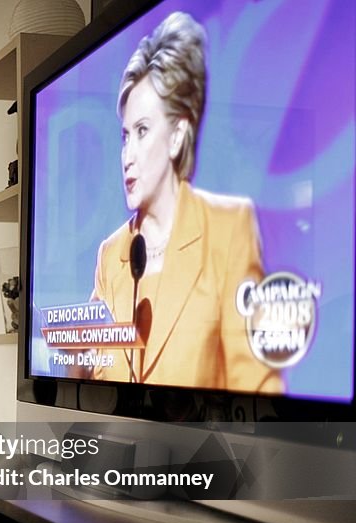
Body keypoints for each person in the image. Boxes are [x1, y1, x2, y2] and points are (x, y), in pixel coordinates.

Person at [88, 11, 281, 393]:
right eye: (125, 135)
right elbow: (87, 380)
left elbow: (257, 387)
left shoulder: (228, 229)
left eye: (142, 131)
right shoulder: (112, 255)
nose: (127, 154)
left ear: (178, 136)